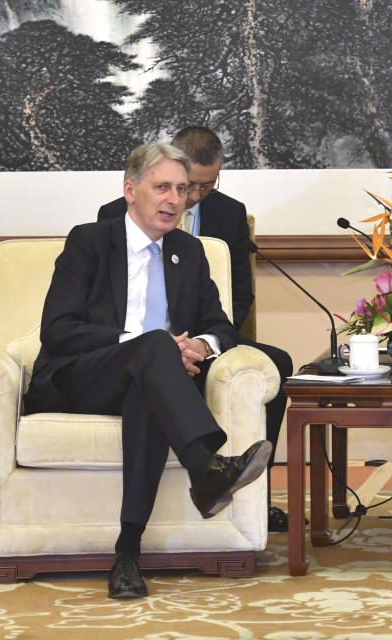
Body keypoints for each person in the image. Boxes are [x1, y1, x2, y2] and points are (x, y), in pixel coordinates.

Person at [26, 142, 273, 599]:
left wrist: (200, 344)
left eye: (182, 189)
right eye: (162, 187)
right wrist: (146, 346)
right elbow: (58, 330)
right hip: (81, 377)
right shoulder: (89, 241)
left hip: (153, 380)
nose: (175, 199)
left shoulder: (190, 251)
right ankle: (208, 466)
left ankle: (127, 555)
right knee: (155, 346)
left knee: (148, 387)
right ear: (130, 190)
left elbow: (222, 325)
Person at [98, 127, 293, 533]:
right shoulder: (112, 218)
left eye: (204, 186)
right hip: (133, 346)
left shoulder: (228, 214)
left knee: (275, 362)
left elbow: (240, 295)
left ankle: (254, 490)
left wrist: (203, 345)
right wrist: (165, 351)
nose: (192, 197)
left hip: (196, 339)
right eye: (186, 185)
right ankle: (208, 473)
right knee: (152, 357)